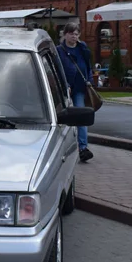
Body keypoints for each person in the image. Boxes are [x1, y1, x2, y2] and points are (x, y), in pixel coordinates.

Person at [56, 22, 94, 163]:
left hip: (80, 88)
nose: (74, 36)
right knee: (63, 118)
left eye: (76, 34)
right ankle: (62, 147)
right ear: (65, 34)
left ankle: (83, 148)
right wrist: (65, 84)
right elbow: (57, 70)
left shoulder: (82, 48)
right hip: (64, 89)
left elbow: (88, 66)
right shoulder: (59, 50)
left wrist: (89, 82)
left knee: (81, 117)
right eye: (71, 33)